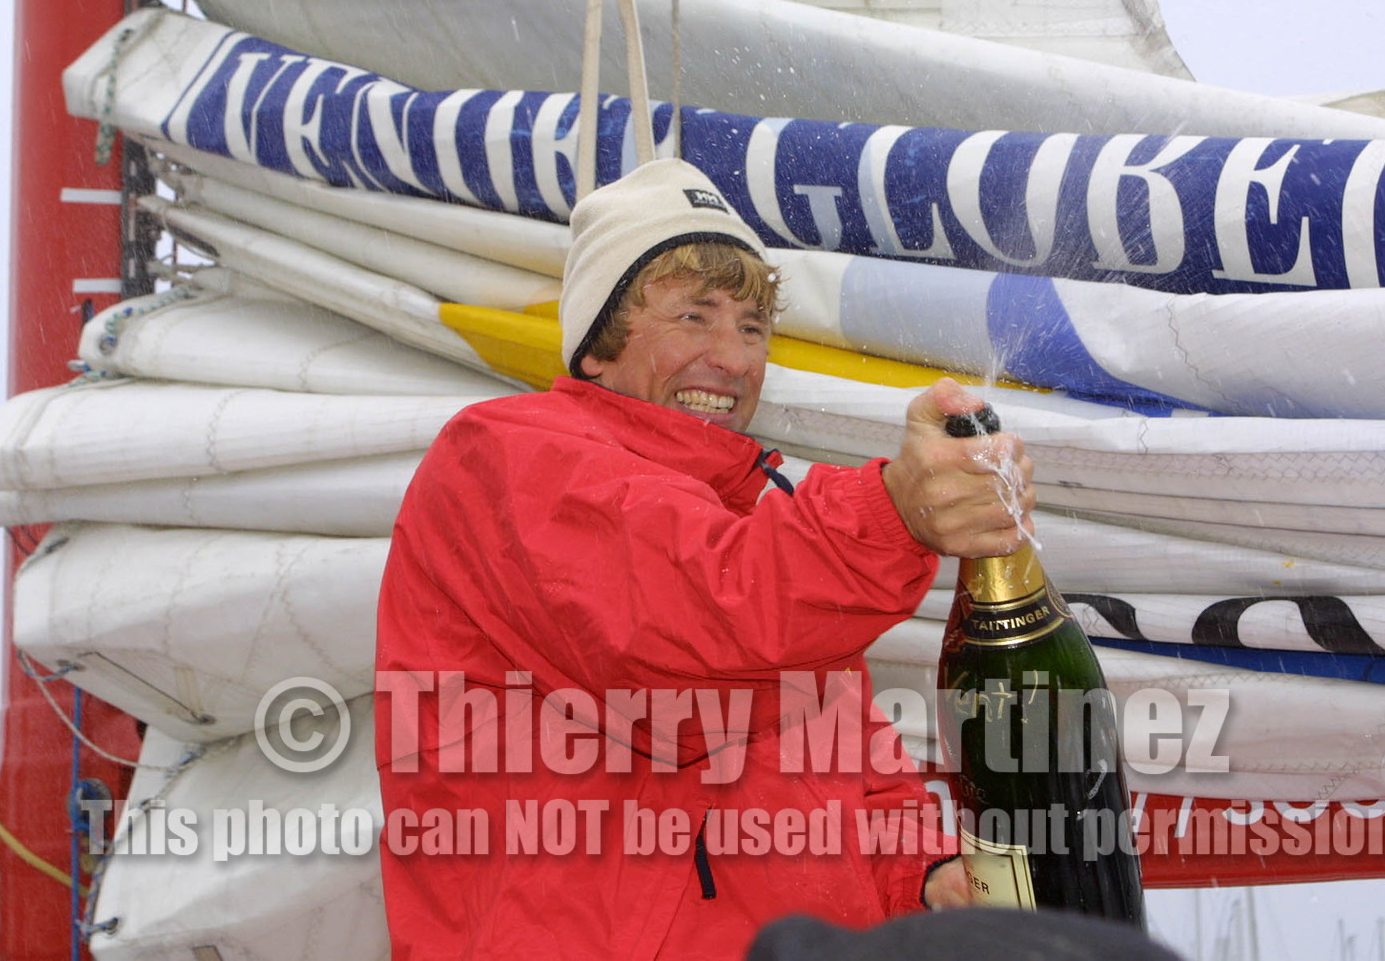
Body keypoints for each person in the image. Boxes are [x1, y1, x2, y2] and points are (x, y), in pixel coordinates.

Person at [375, 158, 1036, 959]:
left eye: (753, 328)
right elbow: (692, 629)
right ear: (598, 344)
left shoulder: (761, 527)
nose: (734, 357)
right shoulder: (502, 455)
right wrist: (891, 512)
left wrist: (924, 873)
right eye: (695, 316)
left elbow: (853, 769)